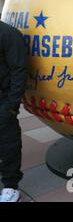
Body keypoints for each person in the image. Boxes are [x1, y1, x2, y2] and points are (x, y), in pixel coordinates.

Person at [0, 21, 27, 202]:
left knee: (8, 145)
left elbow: (19, 70)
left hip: (3, 101)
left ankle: (10, 187)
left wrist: (11, 105)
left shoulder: (9, 34)